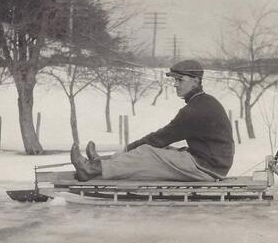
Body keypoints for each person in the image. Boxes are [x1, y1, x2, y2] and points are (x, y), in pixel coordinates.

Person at [71, 59, 235, 182]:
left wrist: (127, 149)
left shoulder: (195, 110)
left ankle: (91, 169)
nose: (175, 85)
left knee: (147, 152)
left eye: (180, 80)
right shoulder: (204, 102)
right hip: (210, 163)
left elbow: (158, 139)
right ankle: (100, 162)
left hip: (208, 168)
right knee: (165, 151)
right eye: (174, 80)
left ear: (195, 81)